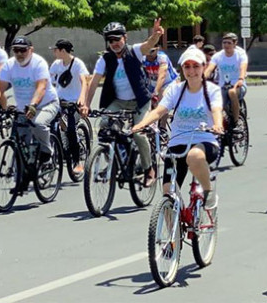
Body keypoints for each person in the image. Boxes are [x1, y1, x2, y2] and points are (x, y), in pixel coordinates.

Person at [131, 48, 223, 210]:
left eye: (196, 66)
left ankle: (208, 190)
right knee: (168, 194)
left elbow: (216, 110)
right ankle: (175, 231)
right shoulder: (176, 90)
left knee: (194, 156)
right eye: (187, 66)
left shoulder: (211, 90)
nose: (192, 71)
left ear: (203, 66)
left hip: (204, 141)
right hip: (178, 143)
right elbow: (160, 110)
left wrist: (217, 124)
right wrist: (142, 124)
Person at [78, 19, 165, 185]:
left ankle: (149, 169)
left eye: (117, 39)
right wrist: (87, 105)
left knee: (138, 133)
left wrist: (156, 35)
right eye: (110, 40)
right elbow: (94, 82)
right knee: (104, 126)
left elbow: (148, 45)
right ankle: (114, 159)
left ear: (125, 37)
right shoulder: (105, 59)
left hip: (139, 101)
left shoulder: (134, 52)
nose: (114, 43)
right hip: (119, 101)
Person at [0, 37, 61, 169]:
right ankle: (22, 175)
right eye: (16, 50)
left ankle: (47, 152)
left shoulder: (39, 63)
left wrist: (33, 105)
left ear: (31, 50)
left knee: (38, 123)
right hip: (23, 108)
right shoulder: (9, 65)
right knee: (20, 140)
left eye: (23, 50)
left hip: (46, 103)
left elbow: (41, 87)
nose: (19, 54)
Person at [51, 39, 91, 175]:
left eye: (55, 50)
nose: (54, 52)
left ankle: (77, 161)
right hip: (59, 100)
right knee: (50, 124)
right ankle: (56, 151)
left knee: (72, 130)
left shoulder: (77, 63)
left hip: (74, 102)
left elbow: (84, 81)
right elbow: (47, 79)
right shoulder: (56, 64)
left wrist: (81, 98)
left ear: (62, 51)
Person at [205, 33, 249, 129]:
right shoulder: (218, 56)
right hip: (222, 86)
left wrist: (241, 79)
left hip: (238, 85)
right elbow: (209, 69)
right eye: (224, 43)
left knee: (232, 92)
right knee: (214, 100)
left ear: (234, 44)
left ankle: (236, 122)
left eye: (229, 43)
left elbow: (243, 68)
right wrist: (201, 79)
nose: (226, 45)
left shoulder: (240, 55)